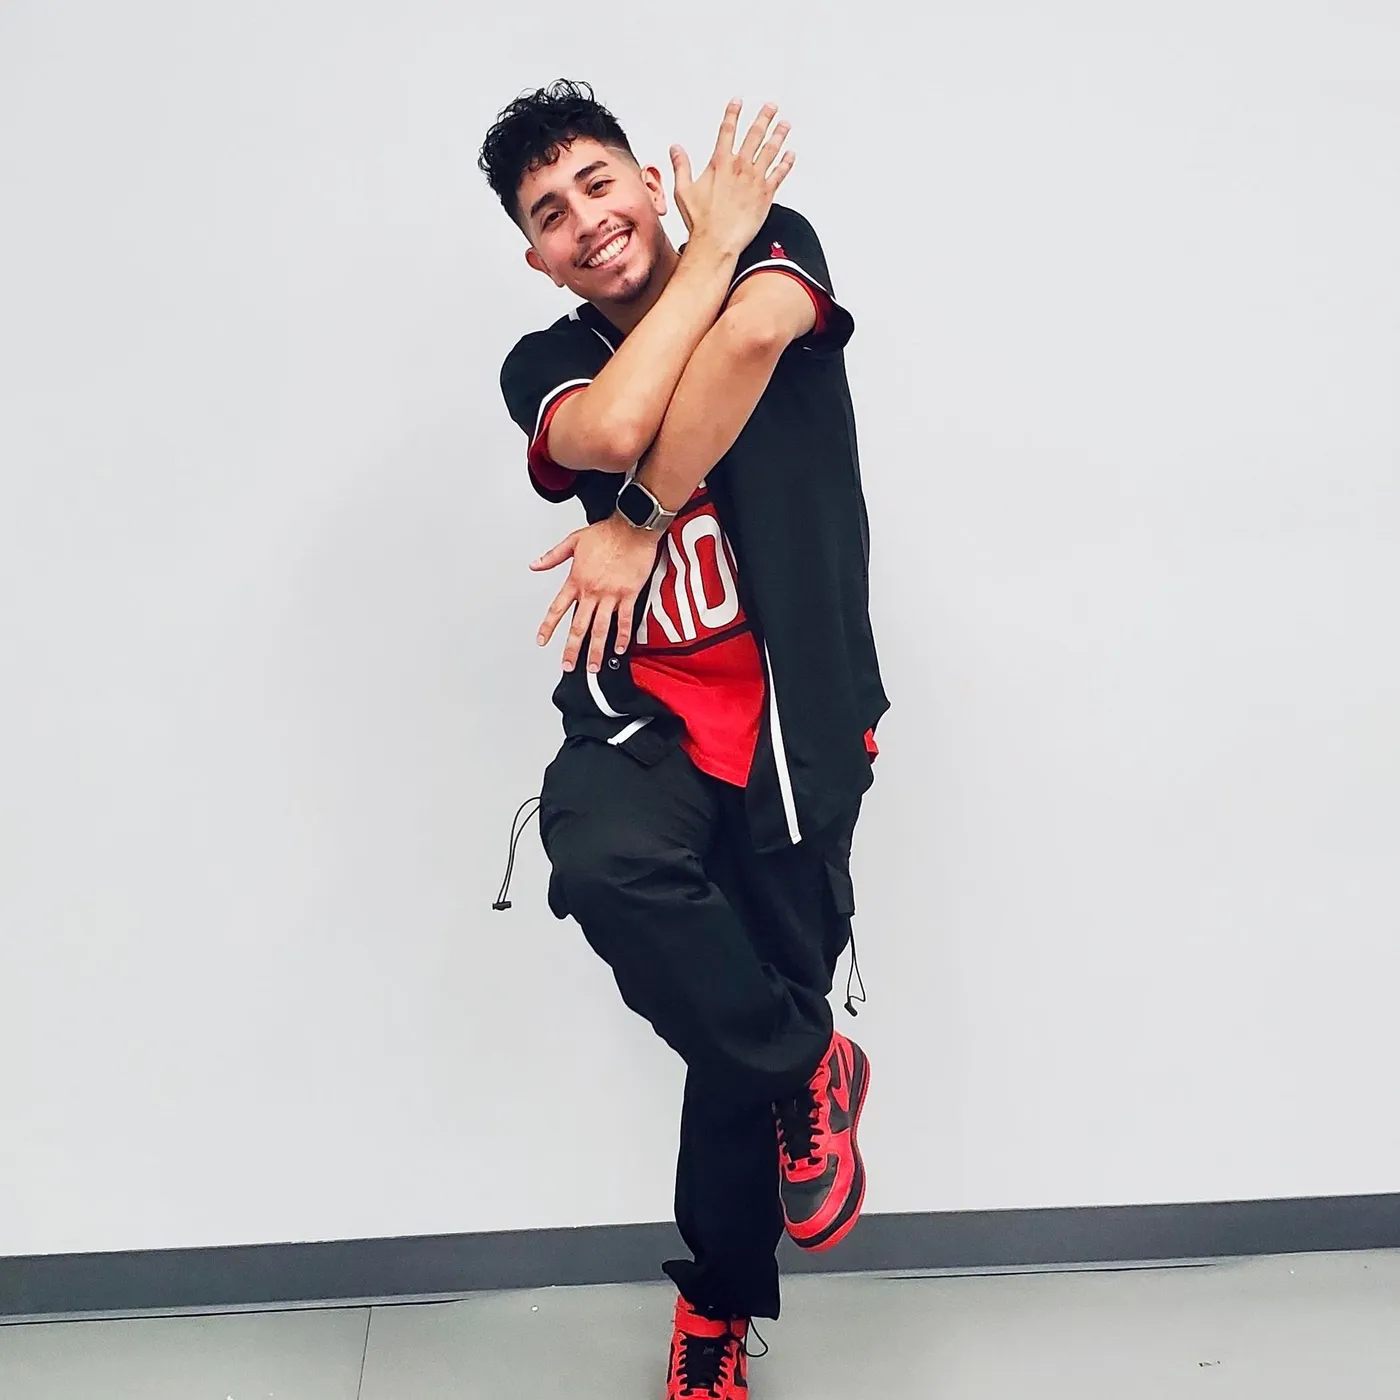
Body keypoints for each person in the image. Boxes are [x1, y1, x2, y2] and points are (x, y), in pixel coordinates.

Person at [479, 79, 888, 1399]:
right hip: (642, 716)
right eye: (551, 212)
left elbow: (755, 340)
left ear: (644, 183)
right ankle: (809, 1065)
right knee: (602, 868)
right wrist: (704, 248)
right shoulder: (543, 362)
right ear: (534, 253)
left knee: (737, 1049)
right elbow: (601, 426)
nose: (586, 219)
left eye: (600, 182)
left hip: (798, 725)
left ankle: (716, 1307)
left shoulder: (780, 246)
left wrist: (635, 516)